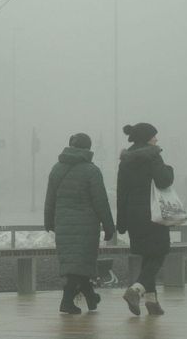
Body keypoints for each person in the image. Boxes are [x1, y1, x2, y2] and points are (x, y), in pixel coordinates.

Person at [44, 133, 116, 314]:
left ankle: (91, 297)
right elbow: (100, 201)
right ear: (88, 149)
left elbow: (50, 199)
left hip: (63, 224)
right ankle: (67, 301)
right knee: (80, 262)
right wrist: (109, 226)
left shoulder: (56, 169)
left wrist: (49, 222)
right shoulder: (91, 171)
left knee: (75, 263)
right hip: (86, 226)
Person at [116, 122, 175, 316]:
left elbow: (121, 192)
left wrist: (122, 221)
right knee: (159, 252)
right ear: (147, 138)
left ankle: (152, 302)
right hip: (153, 213)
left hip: (134, 215)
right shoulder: (153, 156)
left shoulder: (125, 161)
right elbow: (163, 180)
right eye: (154, 136)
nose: (156, 140)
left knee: (148, 255)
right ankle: (136, 290)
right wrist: (169, 168)